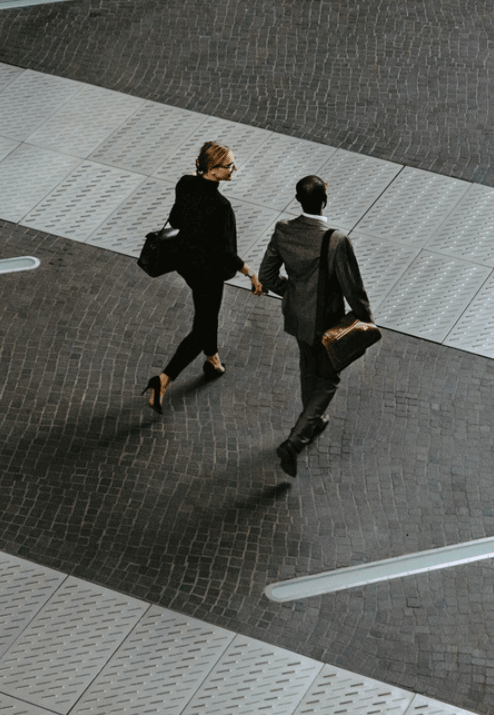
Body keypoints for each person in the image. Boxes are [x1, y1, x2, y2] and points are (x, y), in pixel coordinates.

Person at [256, 174, 372, 477]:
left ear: (298, 200)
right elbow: (353, 289)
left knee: (308, 367)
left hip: (296, 317)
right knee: (329, 380)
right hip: (326, 322)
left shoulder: (283, 230)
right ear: (325, 200)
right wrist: (366, 322)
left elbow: (267, 277)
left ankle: (315, 419)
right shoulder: (336, 240)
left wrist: (291, 292)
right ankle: (295, 441)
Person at [143, 141, 262, 415]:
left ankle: (212, 359)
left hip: (186, 264)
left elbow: (175, 218)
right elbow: (225, 251)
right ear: (212, 169)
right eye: (228, 165)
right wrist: (250, 272)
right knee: (202, 327)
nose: (233, 169)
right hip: (208, 271)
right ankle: (163, 380)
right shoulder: (220, 206)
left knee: (208, 312)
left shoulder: (184, 183)